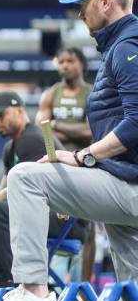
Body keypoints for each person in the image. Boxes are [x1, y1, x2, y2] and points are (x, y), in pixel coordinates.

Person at [0, 0, 138, 301]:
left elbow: (137, 123)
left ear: (106, 2)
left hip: (129, 185)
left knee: (25, 177)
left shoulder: (128, 46)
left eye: (85, 3)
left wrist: (83, 157)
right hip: (124, 182)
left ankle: (33, 294)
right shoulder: (121, 46)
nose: (79, 11)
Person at [0, 91, 87, 288]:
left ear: (20, 111)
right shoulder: (10, 147)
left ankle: (25, 284)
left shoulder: (33, 138)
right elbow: (1, 191)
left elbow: (14, 192)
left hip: (68, 219)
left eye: (1, 115)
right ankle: (5, 282)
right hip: (44, 213)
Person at [36, 47, 96, 283]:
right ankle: (53, 285)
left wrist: (57, 123)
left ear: (81, 64)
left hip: (85, 163)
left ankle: (84, 286)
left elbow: (91, 131)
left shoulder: (91, 93)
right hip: (56, 165)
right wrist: (62, 128)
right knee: (55, 224)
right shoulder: (51, 94)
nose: (64, 66)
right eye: (60, 61)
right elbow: (43, 129)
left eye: (70, 61)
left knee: (88, 226)